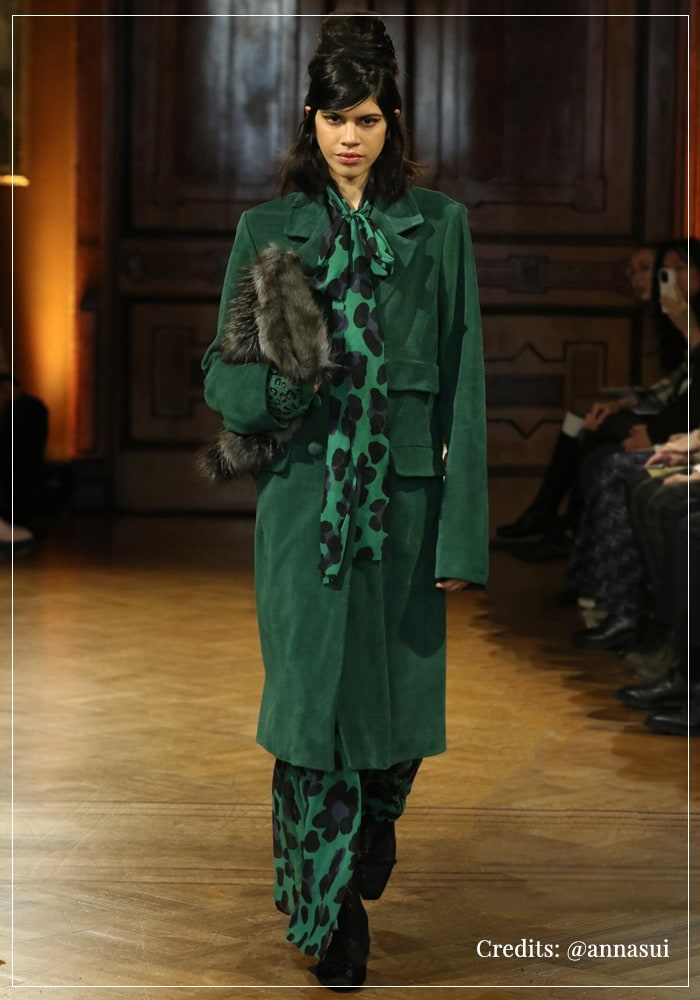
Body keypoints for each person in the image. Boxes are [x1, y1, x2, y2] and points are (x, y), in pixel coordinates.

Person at [200, 14, 488, 989]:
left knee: (396, 723)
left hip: (403, 511)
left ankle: (373, 822)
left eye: (365, 118)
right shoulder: (269, 231)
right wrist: (283, 387)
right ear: (309, 120)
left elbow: (462, 386)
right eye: (333, 118)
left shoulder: (439, 227)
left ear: (392, 119)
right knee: (309, 716)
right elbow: (221, 376)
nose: (349, 137)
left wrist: (461, 535)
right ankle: (328, 916)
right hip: (302, 510)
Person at [499, 237, 700, 559]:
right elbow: (674, 385)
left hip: (680, 427)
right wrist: (624, 404)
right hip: (673, 419)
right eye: (664, 271)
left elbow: (686, 396)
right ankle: (557, 524)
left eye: (678, 269)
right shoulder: (676, 320)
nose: (646, 279)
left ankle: (557, 525)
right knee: (592, 428)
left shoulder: (688, 321)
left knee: (594, 432)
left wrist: (654, 432)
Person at [0, 373, 49, 553]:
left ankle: (27, 527)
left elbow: (33, 436)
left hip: (26, 460)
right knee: (16, 495)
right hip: (14, 461)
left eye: (7, 388)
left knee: (25, 495)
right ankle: (19, 526)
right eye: (3, 390)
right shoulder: (12, 408)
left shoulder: (30, 406)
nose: (5, 393)